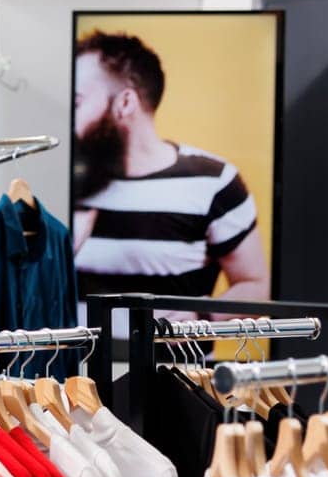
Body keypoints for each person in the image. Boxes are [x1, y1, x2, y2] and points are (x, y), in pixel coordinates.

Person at [72, 30, 269, 302]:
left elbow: (256, 287)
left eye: (76, 103)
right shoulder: (68, 185)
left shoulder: (214, 181)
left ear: (125, 103)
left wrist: (200, 316)